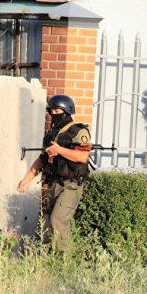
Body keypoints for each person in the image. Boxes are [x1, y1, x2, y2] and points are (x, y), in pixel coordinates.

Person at [17, 94, 91, 253]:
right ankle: (46, 259)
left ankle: (64, 261)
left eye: (58, 111)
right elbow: (42, 160)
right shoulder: (51, 134)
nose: (54, 115)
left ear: (67, 111)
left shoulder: (79, 132)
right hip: (51, 183)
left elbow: (83, 156)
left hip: (70, 185)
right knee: (45, 223)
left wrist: (59, 150)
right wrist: (26, 180)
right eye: (52, 111)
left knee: (58, 220)